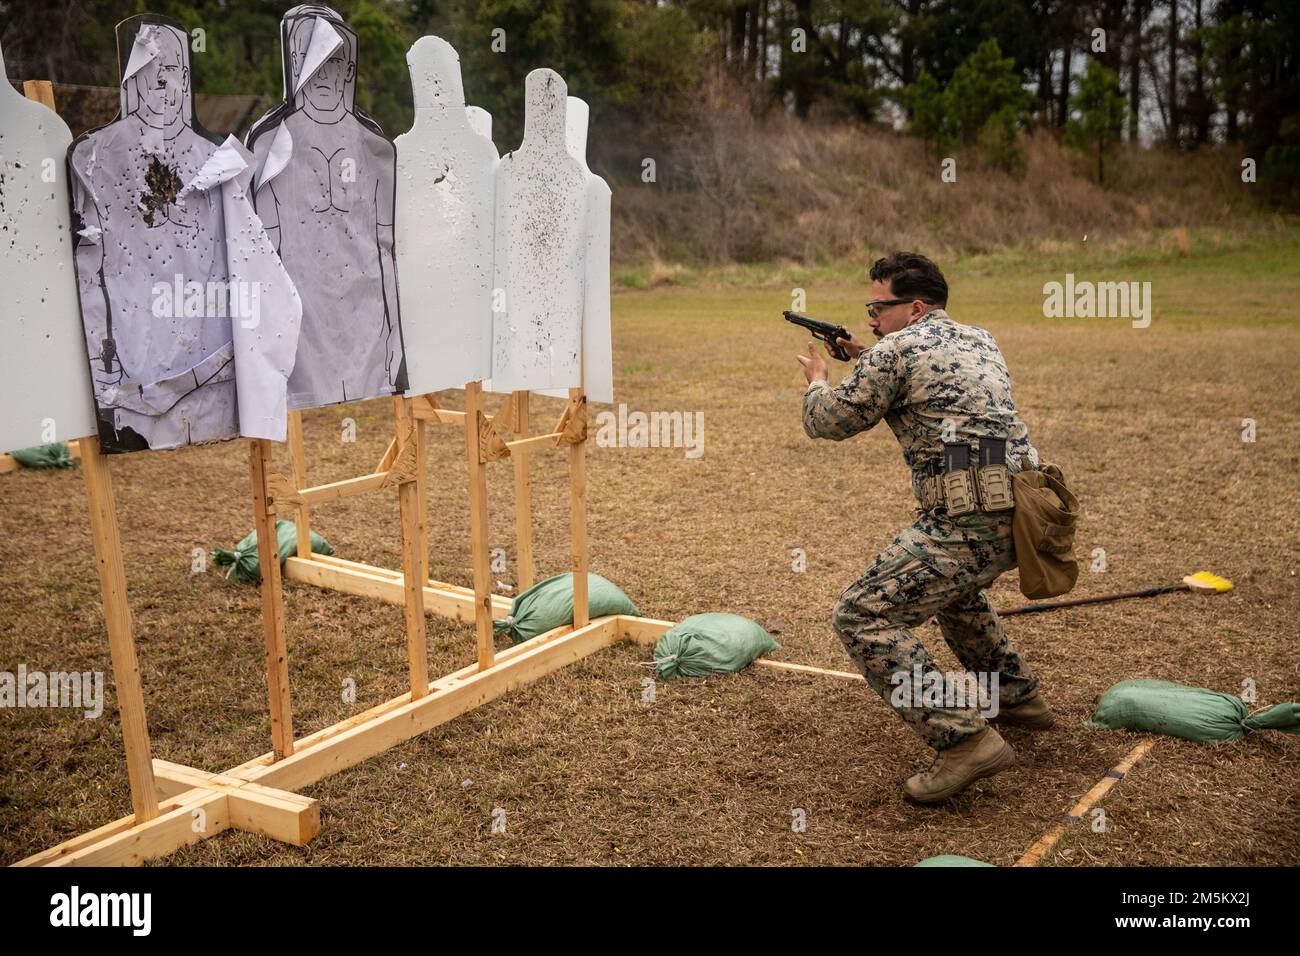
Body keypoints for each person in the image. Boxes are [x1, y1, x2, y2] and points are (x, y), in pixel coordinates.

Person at [796, 251, 1054, 803]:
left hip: (969, 516)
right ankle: (1013, 696)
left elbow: (828, 422)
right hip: (1029, 511)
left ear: (913, 307)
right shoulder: (979, 338)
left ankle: (964, 741)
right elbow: (939, 388)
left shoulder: (892, 353)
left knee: (861, 615)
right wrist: (868, 356)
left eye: (877, 307)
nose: (870, 318)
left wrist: (819, 379)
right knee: (952, 591)